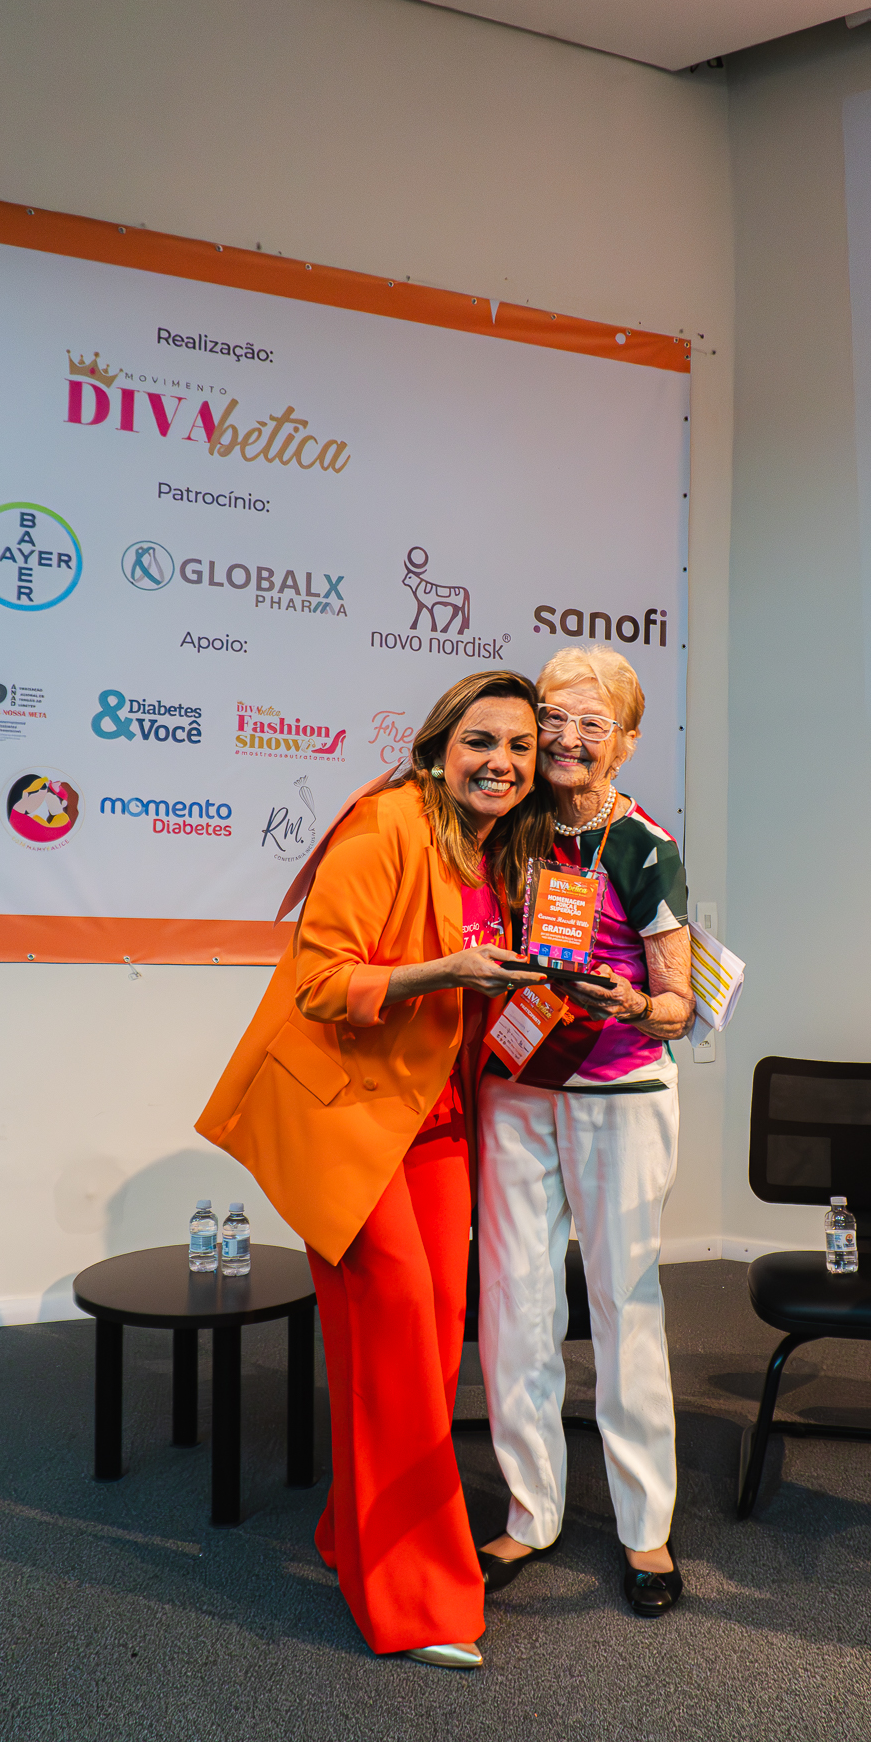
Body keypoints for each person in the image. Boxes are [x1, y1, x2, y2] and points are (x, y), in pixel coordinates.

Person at [196, 671, 553, 1667]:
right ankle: (418, 1598)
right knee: (394, 1332)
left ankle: (354, 1528)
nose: (502, 762)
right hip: (346, 1117)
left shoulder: (497, 850)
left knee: (428, 1349)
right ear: (437, 749)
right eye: (481, 741)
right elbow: (318, 981)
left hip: (434, 1117)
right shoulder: (384, 824)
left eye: (520, 747)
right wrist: (446, 972)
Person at [475, 645, 696, 1618]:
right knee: (514, 1301)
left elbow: (678, 1003)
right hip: (518, 1084)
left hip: (619, 1092)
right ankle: (531, 1511)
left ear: (627, 741)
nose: (565, 738)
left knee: (621, 1302)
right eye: (552, 718)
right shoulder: (510, 825)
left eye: (590, 723)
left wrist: (632, 1002)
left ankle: (645, 1526)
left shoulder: (643, 846)